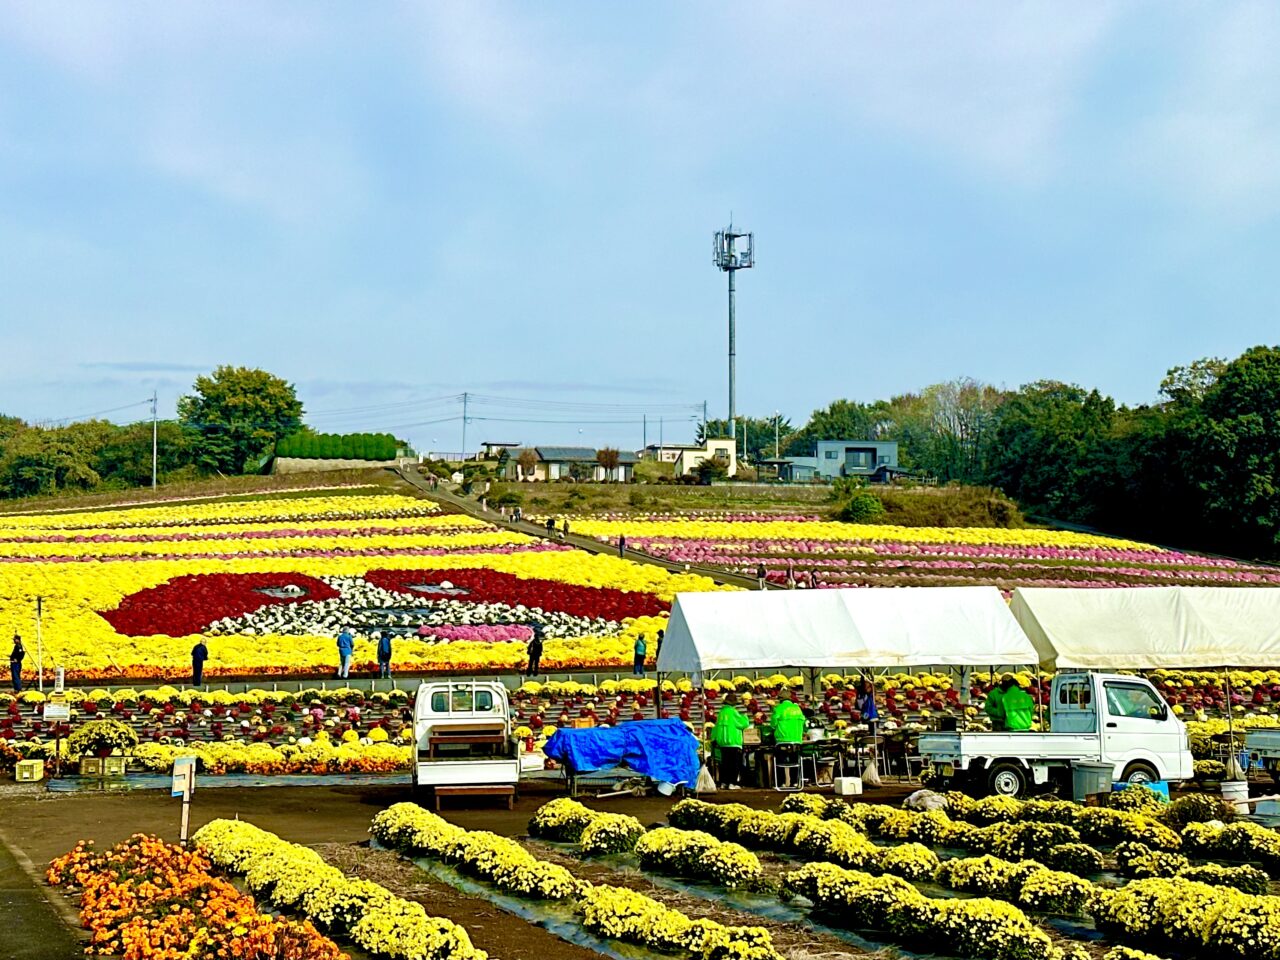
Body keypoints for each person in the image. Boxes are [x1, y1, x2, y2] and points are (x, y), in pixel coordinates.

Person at [712, 692, 751, 789]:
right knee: (734, 764)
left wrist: (714, 739)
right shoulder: (733, 712)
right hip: (733, 741)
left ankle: (724, 782)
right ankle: (732, 783)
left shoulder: (721, 713)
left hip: (722, 742)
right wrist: (745, 716)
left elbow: (715, 727)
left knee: (725, 763)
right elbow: (743, 724)